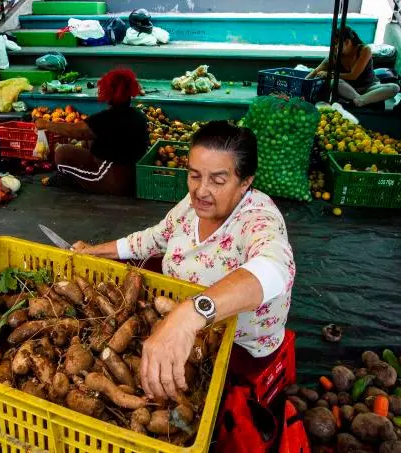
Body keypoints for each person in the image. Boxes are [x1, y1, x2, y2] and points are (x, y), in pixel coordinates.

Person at [71, 121, 295, 399]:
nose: (201, 190)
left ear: (245, 182)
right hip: (175, 316)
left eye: (218, 180)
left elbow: (275, 268)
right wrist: (95, 251)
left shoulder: (259, 218)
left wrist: (190, 315)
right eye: (194, 175)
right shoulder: (193, 205)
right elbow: (154, 238)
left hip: (236, 346)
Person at [35, 68, 149, 196]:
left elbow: (76, 130)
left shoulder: (107, 118)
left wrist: (46, 124)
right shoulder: (138, 115)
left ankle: (70, 179)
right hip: (133, 178)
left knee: (61, 153)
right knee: (88, 142)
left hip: (112, 179)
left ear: (108, 93)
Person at [307, 26, 400, 107]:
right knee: (334, 82)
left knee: (394, 87)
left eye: (336, 44)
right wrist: (303, 83)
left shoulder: (364, 50)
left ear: (347, 42)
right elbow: (316, 71)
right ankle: (361, 100)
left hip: (369, 88)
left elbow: (353, 76)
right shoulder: (335, 55)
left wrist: (330, 74)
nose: (334, 47)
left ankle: (359, 101)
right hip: (349, 90)